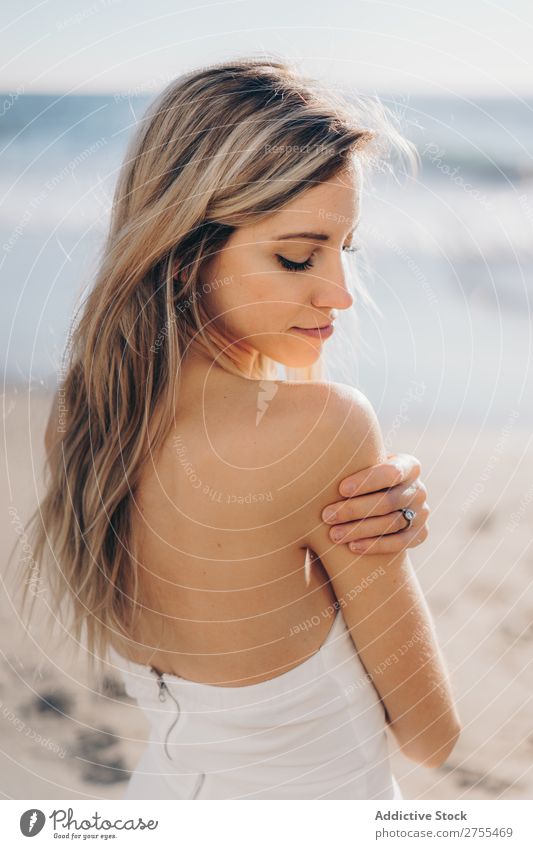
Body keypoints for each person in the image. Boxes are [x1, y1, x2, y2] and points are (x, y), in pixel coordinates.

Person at [23, 56, 461, 799]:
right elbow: (430, 733)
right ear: (187, 253)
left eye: (342, 249)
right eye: (297, 255)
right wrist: (391, 547)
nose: (341, 293)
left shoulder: (86, 415)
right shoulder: (323, 430)